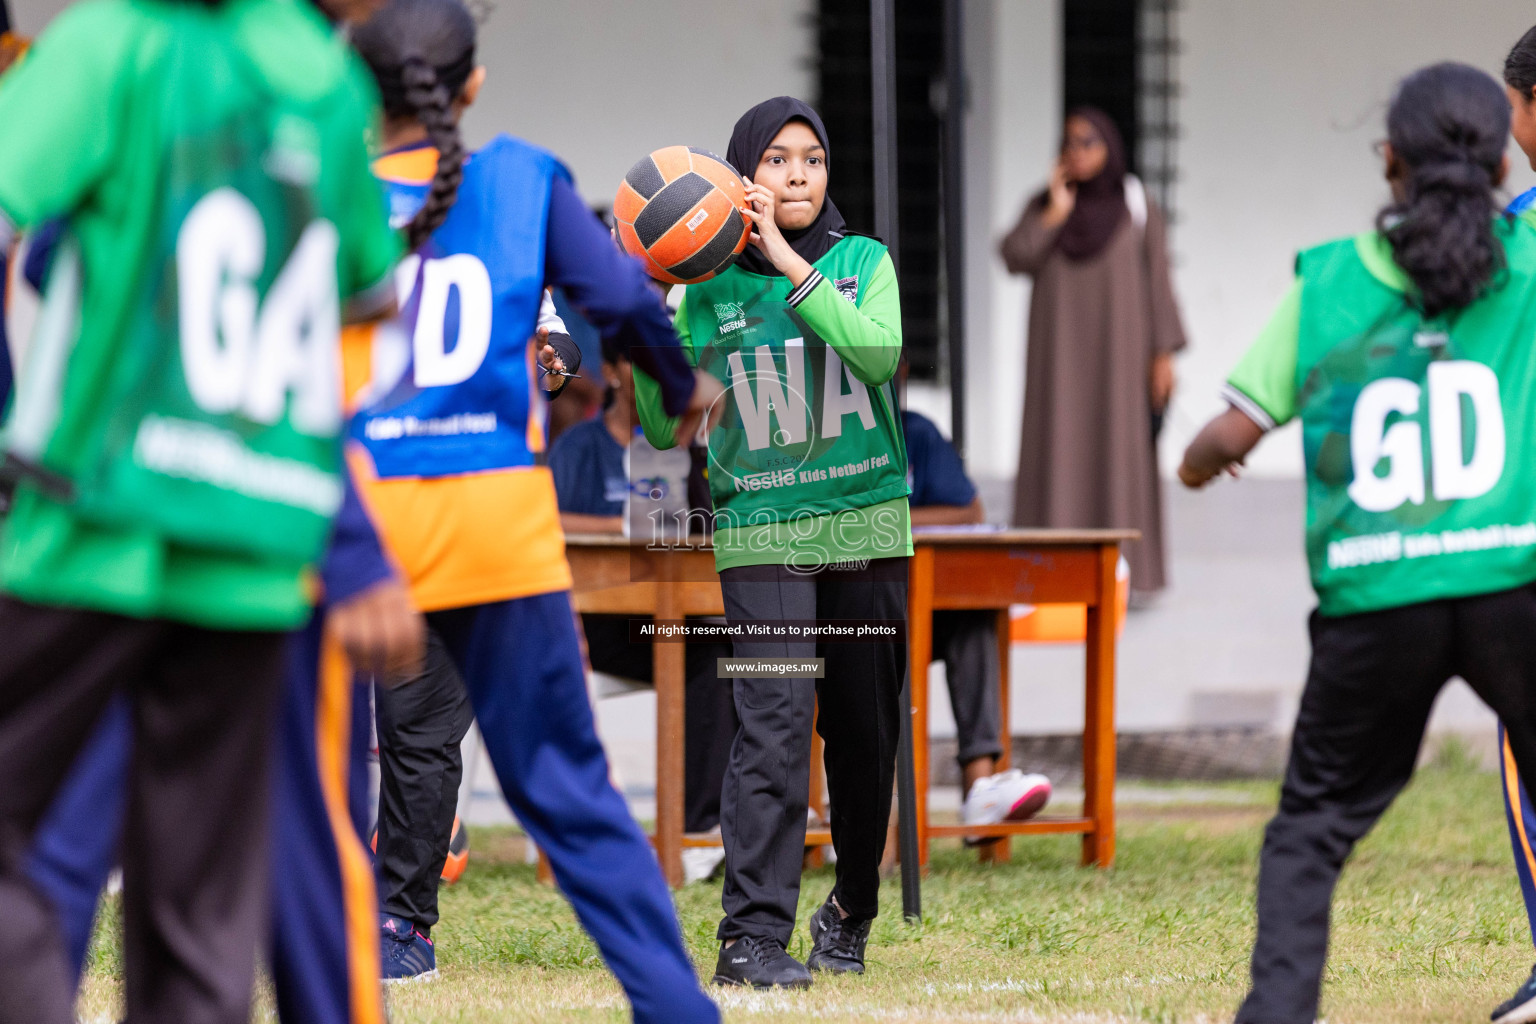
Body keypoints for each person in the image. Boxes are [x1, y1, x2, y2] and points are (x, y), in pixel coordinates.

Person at [0, 0, 403, 1019]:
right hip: (251, 541)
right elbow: (369, 291)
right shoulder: (318, 72)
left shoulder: (111, 40)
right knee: (196, 905)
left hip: (93, 522)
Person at [344, 1, 720, 1018]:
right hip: (494, 528)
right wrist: (682, 386)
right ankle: (675, 1004)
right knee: (570, 793)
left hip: (354, 531)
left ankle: (361, 956)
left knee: (322, 784)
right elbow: (630, 307)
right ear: (469, 85)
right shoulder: (519, 176)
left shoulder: (319, 183)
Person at [1178, 62, 1536, 1024]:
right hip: (1516, 583)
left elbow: (1233, 430)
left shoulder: (1330, 279)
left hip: (1378, 599)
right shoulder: (1533, 268)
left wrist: (1196, 467)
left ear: (1390, 161)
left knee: (1312, 830)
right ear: (1503, 158)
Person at [635, 96, 909, 988]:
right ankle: (750, 937)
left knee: (863, 737)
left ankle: (852, 907)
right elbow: (666, 424)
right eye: (778, 161)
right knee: (775, 723)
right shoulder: (707, 289)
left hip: (868, 520)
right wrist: (646, 311)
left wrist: (790, 263)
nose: (797, 175)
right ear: (740, 175)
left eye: (813, 160)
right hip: (760, 526)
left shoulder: (865, 262)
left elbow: (876, 357)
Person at [549, 342, 738, 883]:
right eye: (640, 361)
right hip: (599, 627)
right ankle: (696, 828)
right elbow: (549, 519)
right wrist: (625, 529)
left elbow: (700, 530)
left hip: (675, 618)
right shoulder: (579, 447)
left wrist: (690, 445)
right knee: (704, 649)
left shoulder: (684, 449)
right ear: (610, 372)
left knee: (723, 649)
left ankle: (702, 829)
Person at [1000, 107, 1186, 600]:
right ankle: (1050, 575)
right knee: (1056, 450)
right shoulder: (1046, 205)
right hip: (1058, 364)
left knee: (1118, 455)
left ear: (1110, 148)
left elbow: (1158, 282)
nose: (1076, 153)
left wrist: (1163, 356)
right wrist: (1055, 215)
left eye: (1088, 142)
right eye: (1069, 143)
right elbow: (1015, 255)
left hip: (1120, 363)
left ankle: (1128, 579)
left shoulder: (1137, 204)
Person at [900, 382, 1051, 827]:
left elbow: (968, 512)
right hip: (846, 616)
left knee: (973, 619)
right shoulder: (823, 432)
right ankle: (862, 808)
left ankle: (981, 789)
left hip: (917, 608)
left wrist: (883, 521)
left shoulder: (917, 433)